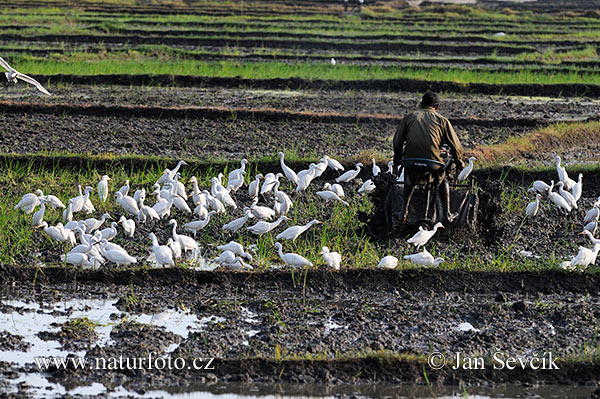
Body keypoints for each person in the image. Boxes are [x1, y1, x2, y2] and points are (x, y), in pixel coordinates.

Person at [392, 92, 465, 223]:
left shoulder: (409, 117)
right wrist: (459, 161)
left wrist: (397, 159)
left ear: (421, 104)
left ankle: (403, 211)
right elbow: (456, 146)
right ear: (437, 106)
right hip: (432, 163)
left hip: (410, 161)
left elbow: (397, 142)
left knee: (410, 179)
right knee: (442, 179)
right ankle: (447, 214)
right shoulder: (442, 120)